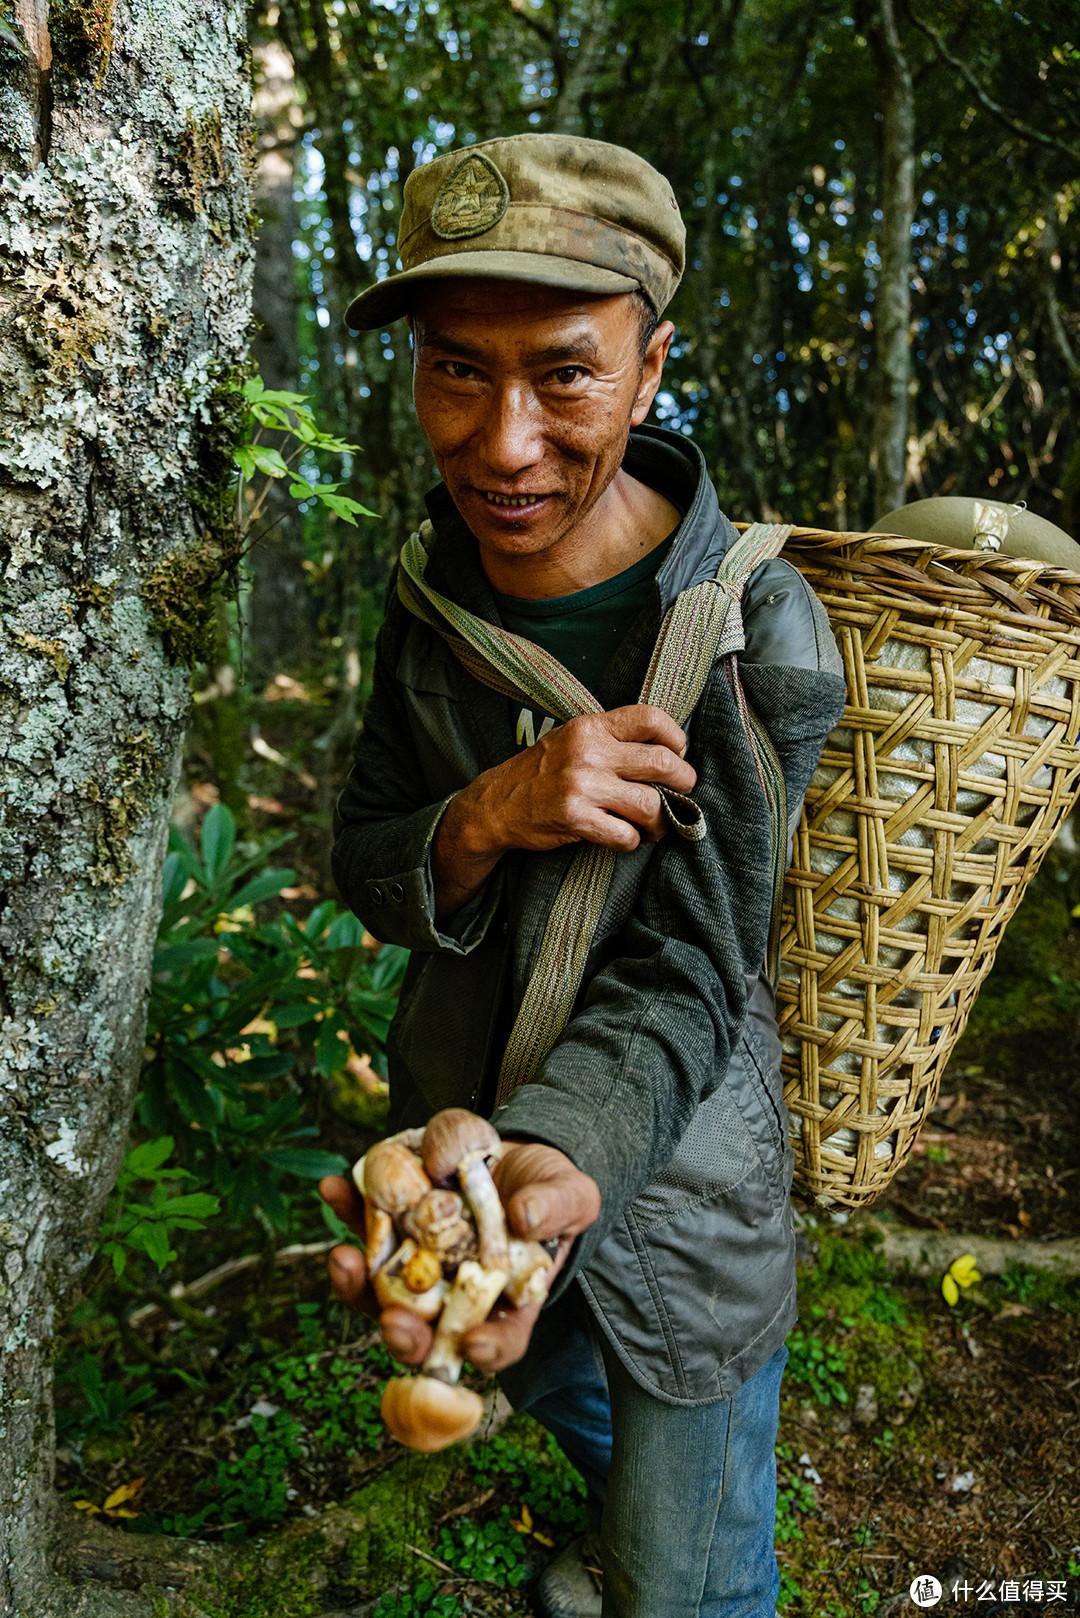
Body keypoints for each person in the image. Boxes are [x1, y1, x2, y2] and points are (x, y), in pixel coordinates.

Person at [319, 132, 847, 1618]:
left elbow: (695, 965)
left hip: (674, 1194)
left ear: (651, 363)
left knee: (693, 1583)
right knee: (561, 1394)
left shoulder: (756, 631)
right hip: (467, 1154)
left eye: (564, 373)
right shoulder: (429, 596)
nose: (501, 444)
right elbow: (367, 850)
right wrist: (489, 809)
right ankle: (626, 1528)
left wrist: (551, 1155)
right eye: (455, 370)